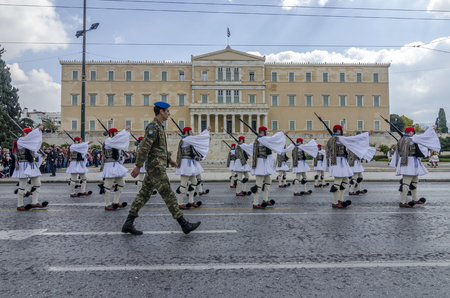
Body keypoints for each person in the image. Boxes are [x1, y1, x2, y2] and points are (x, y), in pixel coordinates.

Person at [122, 101, 201, 235]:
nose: (169, 114)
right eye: (167, 111)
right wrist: (138, 166)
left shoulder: (159, 127)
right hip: (156, 168)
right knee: (168, 194)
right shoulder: (153, 127)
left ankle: (128, 223)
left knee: (144, 194)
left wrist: (169, 159)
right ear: (161, 112)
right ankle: (184, 224)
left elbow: (159, 148)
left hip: (156, 166)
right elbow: (144, 148)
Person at [390, 126, 440, 207]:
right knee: (406, 183)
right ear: (411, 133)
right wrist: (431, 129)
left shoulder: (401, 140)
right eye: (413, 133)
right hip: (410, 162)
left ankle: (415, 199)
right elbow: (425, 137)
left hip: (407, 161)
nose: (414, 134)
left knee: (414, 181)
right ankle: (402, 202)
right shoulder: (413, 139)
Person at [242, 126, 291, 209]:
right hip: (260, 164)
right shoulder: (261, 139)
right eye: (266, 131)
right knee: (258, 184)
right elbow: (272, 139)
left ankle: (265, 200)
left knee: (268, 180)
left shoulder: (262, 139)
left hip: (265, 163)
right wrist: (282, 133)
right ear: (262, 132)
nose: (267, 132)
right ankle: (255, 203)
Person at [326, 125, 373, 208]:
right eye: (341, 130)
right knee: (337, 182)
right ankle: (334, 202)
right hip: (338, 162)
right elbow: (353, 139)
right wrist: (366, 134)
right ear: (338, 131)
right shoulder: (338, 139)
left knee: (345, 180)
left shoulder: (333, 139)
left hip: (341, 161)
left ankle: (341, 199)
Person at [12, 126, 48, 211]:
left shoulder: (30, 143)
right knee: (22, 186)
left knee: (37, 184)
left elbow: (33, 154)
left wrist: (41, 155)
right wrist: (37, 130)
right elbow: (27, 144)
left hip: (31, 165)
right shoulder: (21, 141)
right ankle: (20, 205)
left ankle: (34, 202)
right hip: (23, 165)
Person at [175, 125, 211, 209]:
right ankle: (179, 203)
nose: (192, 133)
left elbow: (194, 148)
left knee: (194, 182)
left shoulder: (188, 140)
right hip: (185, 164)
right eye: (191, 132)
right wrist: (206, 130)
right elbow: (198, 138)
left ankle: (191, 201)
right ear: (187, 132)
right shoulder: (186, 139)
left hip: (190, 164)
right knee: (183, 184)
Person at [100, 126, 130, 210]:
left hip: (116, 165)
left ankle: (115, 201)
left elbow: (117, 155)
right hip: (109, 166)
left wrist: (124, 157)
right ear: (112, 134)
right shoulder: (109, 141)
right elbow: (117, 140)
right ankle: (107, 204)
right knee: (108, 186)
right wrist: (124, 131)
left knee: (121, 183)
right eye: (116, 133)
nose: (117, 135)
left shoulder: (114, 142)